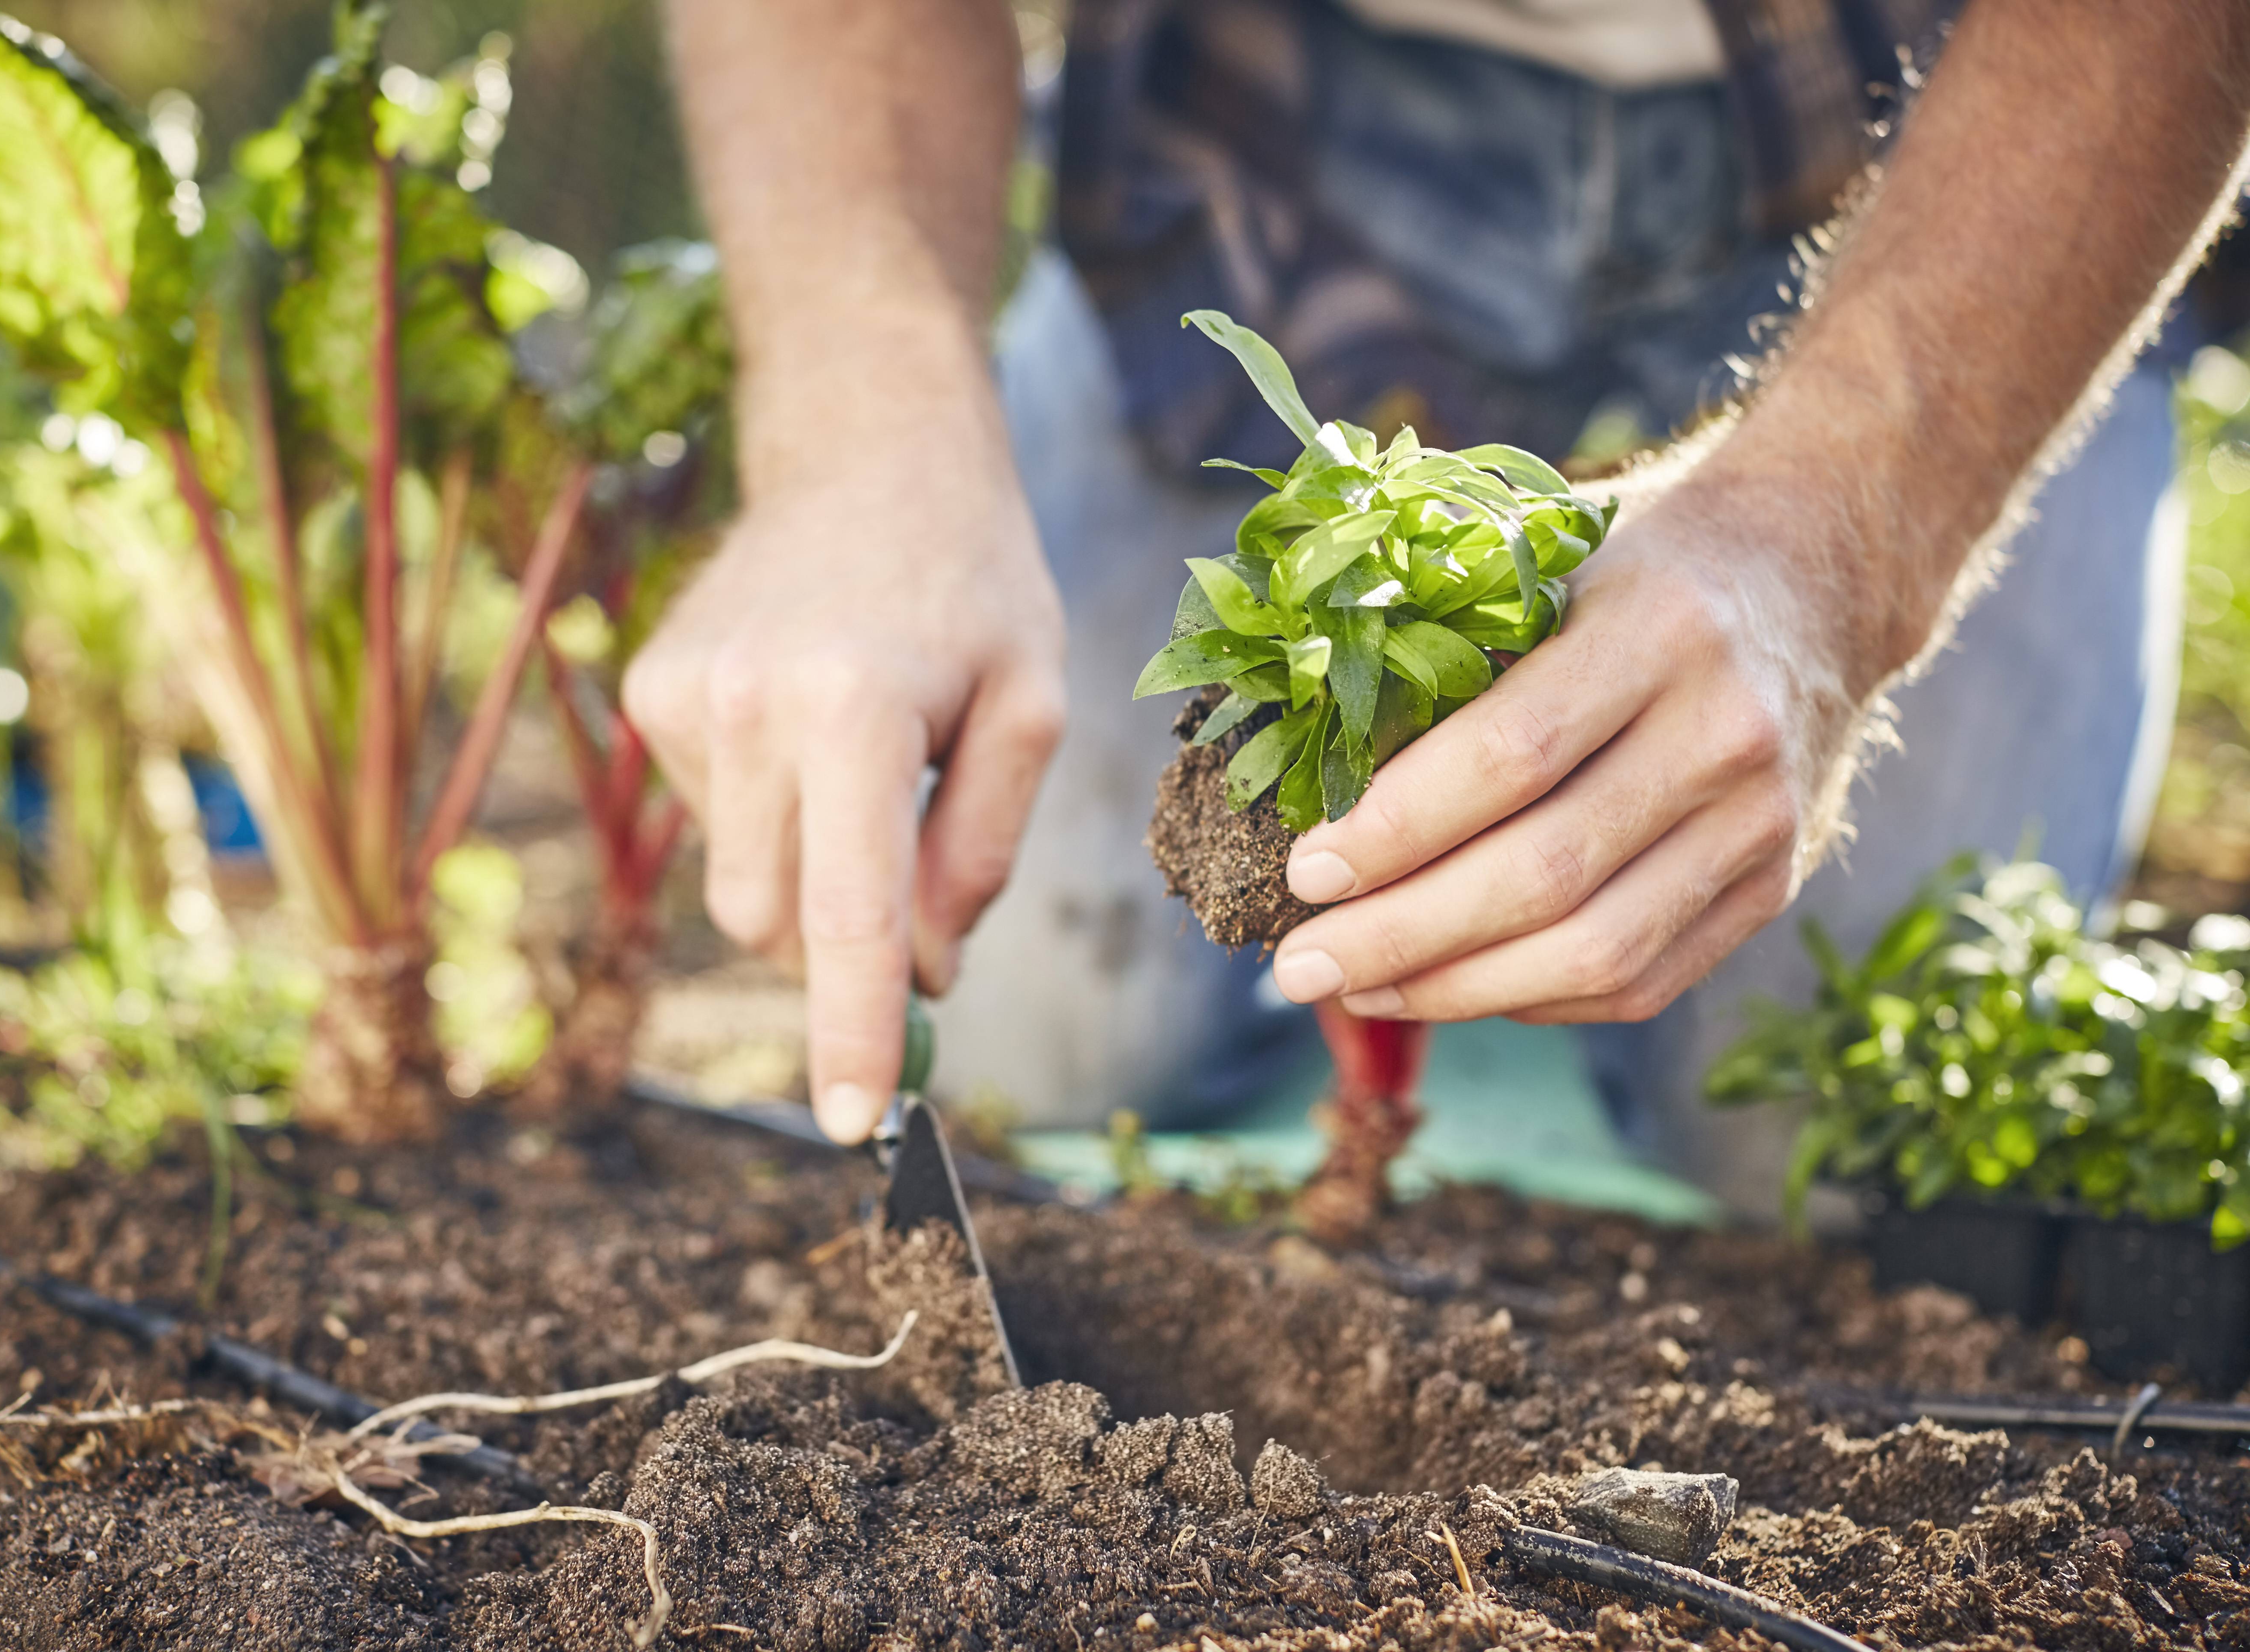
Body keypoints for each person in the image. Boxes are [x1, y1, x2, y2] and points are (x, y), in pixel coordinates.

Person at [626, 0, 2250, 1215]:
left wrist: (1845, 538)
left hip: (1960, 140)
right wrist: (860, 422)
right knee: (1044, 1037)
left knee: (1826, 1158)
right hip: (1261, 143)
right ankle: (1414, 1039)